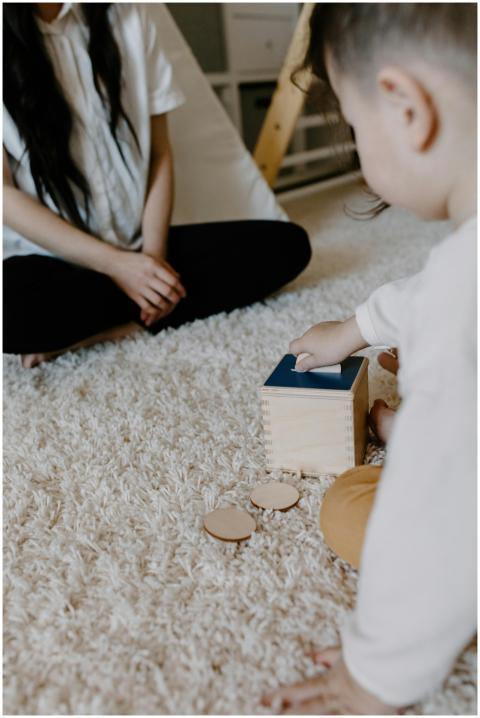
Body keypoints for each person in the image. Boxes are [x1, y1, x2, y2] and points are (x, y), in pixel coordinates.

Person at [263, 3, 476, 714]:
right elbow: (431, 297)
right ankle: (414, 429)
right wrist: (356, 325)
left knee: (352, 505)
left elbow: (434, 518)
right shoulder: (456, 284)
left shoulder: (456, 304)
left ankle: (411, 435)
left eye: (354, 126)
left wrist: (375, 674)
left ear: (406, 110)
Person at [3, 3, 311, 368]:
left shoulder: (128, 16)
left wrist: (153, 260)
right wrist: (117, 267)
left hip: (142, 244)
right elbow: (4, 196)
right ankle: (135, 307)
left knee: (286, 246)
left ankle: (115, 326)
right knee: (10, 306)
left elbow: (160, 153)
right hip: (58, 259)